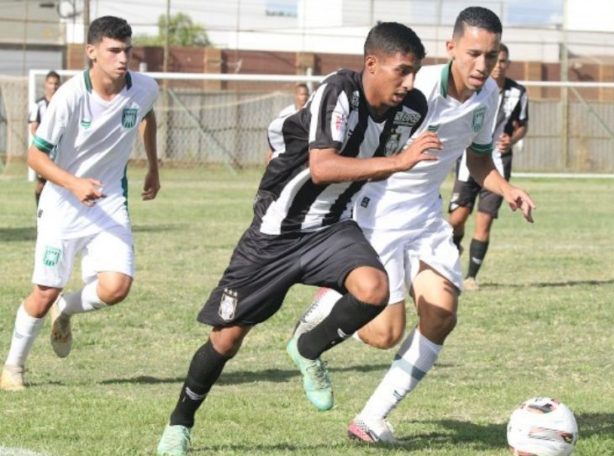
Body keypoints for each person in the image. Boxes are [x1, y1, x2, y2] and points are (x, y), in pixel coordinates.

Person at [156, 22, 440, 456]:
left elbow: (371, 165)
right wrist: (400, 162)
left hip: (332, 226)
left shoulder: (413, 109)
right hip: (277, 231)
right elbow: (324, 166)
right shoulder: (339, 91)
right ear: (371, 65)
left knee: (375, 288)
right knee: (226, 340)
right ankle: (180, 423)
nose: (409, 82)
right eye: (401, 71)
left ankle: (307, 347)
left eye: (415, 72)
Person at [292, 7, 534, 443]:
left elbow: (477, 160)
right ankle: (331, 300)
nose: (482, 65)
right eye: (473, 54)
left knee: (441, 315)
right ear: (451, 49)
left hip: (425, 217)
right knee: (384, 335)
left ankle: (370, 419)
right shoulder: (414, 84)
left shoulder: (491, 95)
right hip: (376, 213)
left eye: (491, 56)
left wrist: (506, 186)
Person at [0, 16, 160, 392]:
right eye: (114, 51)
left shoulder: (145, 87)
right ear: (92, 52)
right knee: (44, 293)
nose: (123, 59)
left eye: (127, 50)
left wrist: (153, 166)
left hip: (109, 200)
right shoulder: (69, 98)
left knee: (117, 287)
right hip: (61, 204)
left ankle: (67, 310)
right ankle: (12, 368)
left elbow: (148, 115)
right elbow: (35, 157)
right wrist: (73, 184)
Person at [448, 42, 529, 291]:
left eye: (502, 60)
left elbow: (522, 124)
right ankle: (451, 249)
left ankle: (471, 277)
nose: (497, 66)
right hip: (469, 159)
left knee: (484, 221)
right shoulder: (476, 87)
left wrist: (511, 139)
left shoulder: (518, 92)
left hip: (498, 163)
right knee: (457, 218)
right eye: (496, 60)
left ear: (506, 63)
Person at [28, 70, 61, 206]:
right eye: (50, 83)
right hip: (45, 151)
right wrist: (46, 145)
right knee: (43, 182)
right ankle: (39, 212)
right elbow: (33, 128)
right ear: (45, 84)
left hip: (61, 150)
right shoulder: (39, 105)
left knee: (60, 183)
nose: (53, 86)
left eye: (56, 83)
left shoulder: (63, 103)